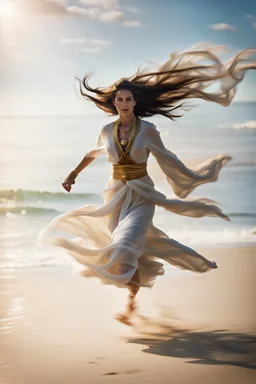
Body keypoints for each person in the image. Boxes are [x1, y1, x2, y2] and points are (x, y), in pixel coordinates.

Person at [38, 44, 256, 325]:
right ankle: (133, 299)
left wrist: (196, 175)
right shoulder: (107, 130)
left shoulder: (149, 130)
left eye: (129, 99)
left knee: (125, 244)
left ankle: (130, 305)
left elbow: (168, 157)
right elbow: (93, 153)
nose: (124, 103)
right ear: (114, 103)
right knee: (124, 253)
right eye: (120, 99)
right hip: (115, 195)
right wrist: (72, 174)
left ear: (134, 102)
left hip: (142, 195)